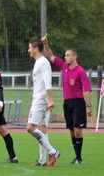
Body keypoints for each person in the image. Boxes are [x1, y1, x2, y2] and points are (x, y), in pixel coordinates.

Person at [42, 36, 92, 164]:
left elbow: (87, 89)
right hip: (67, 103)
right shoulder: (64, 67)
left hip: (78, 103)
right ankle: (76, 157)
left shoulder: (80, 71)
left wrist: (89, 106)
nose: (65, 57)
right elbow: (50, 56)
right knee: (71, 130)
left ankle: (79, 158)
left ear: (75, 57)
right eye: (65, 55)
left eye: (68, 55)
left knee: (77, 130)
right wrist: (45, 44)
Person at [26, 39, 60, 167]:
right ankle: (42, 160)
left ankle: (53, 152)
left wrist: (50, 99)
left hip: (41, 99)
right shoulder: (38, 62)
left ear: (36, 49)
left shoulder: (43, 63)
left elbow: (47, 82)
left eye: (30, 47)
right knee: (42, 129)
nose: (28, 50)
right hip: (40, 98)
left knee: (30, 128)